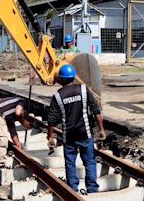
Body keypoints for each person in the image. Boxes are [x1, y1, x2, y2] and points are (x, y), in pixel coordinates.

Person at [47, 64, 106, 193]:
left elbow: (51, 120)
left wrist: (50, 136)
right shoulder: (84, 90)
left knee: (70, 163)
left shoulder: (58, 96)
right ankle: (92, 189)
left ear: (61, 79)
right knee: (89, 162)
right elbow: (96, 111)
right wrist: (101, 129)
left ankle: (72, 189)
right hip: (85, 133)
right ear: (73, 77)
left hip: (69, 136)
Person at [0, 97, 31, 168]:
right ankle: (1, 164)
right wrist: (24, 122)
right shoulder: (22, 101)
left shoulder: (9, 116)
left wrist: (19, 147)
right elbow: (18, 112)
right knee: (1, 139)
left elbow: (13, 133)